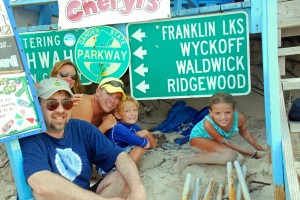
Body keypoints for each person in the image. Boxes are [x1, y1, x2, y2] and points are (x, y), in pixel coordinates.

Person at [19, 78, 146, 199]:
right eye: (52, 104)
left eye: (66, 103)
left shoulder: (82, 128)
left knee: (124, 178)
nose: (60, 110)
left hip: (83, 195)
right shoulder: (31, 137)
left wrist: (138, 187)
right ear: (38, 106)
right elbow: (41, 185)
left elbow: (120, 156)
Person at [173, 92, 266, 173]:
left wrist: (260, 150)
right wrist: (253, 153)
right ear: (211, 112)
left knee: (239, 159)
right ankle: (186, 160)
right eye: (217, 113)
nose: (223, 117)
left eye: (227, 112)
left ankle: (221, 155)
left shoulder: (239, 118)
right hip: (198, 140)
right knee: (229, 155)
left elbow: (244, 133)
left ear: (233, 110)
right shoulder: (208, 123)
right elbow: (225, 142)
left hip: (217, 142)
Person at [106, 96, 157, 164]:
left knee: (141, 143)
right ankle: (124, 172)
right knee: (140, 145)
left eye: (135, 110)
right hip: (109, 165)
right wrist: (145, 140)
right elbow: (147, 145)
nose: (132, 114)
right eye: (127, 111)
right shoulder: (118, 128)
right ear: (118, 115)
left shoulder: (133, 127)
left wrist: (147, 133)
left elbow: (153, 146)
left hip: (120, 160)